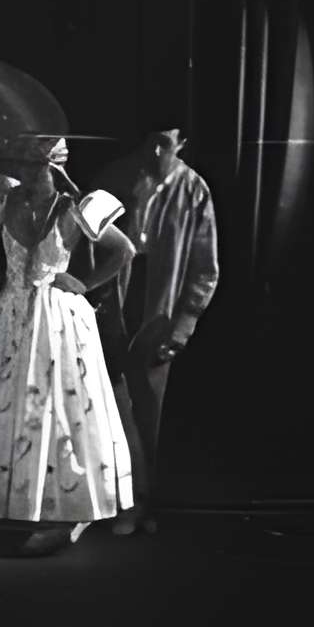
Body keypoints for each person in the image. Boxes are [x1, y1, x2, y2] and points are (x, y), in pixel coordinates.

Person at [0, 136, 136, 552]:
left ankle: (62, 510)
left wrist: (83, 284)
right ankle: (14, 503)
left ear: (53, 167)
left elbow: (124, 250)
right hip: (10, 312)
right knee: (11, 405)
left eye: (35, 166)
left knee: (56, 409)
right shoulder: (5, 199)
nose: (27, 173)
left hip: (56, 318)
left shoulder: (75, 208)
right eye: (23, 164)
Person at [90, 127, 219, 536]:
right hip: (115, 303)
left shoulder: (193, 190)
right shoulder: (117, 176)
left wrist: (182, 328)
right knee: (111, 410)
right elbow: (88, 239)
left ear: (182, 145)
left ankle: (147, 504)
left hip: (157, 311)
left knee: (150, 416)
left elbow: (205, 269)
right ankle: (117, 502)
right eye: (151, 141)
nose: (156, 150)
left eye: (166, 143)